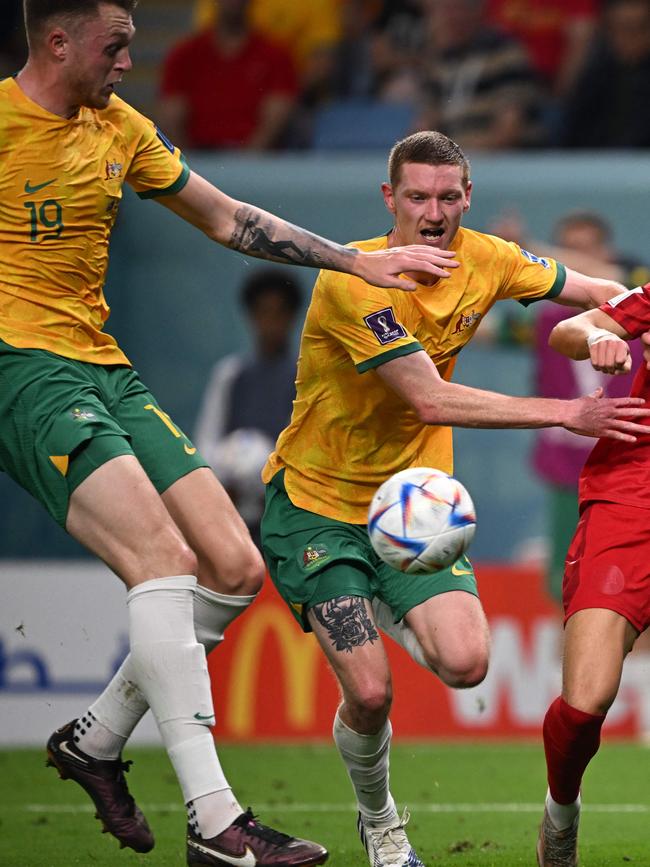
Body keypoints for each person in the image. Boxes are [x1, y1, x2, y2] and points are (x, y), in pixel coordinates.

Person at [2, 2, 462, 864]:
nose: (130, 63)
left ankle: (94, 741)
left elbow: (226, 218)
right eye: (116, 46)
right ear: (57, 42)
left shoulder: (119, 125)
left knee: (233, 563)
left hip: (104, 365)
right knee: (165, 563)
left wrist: (357, 261)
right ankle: (217, 822)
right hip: (22, 368)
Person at [258, 130, 650, 867]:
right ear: (390, 199)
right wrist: (567, 411)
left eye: (446, 196)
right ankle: (381, 825)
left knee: (468, 662)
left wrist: (622, 318)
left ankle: (376, 599)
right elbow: (429, 399)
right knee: (370, 693)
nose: (433, 211)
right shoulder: (355, 279)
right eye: (417, 196)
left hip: (414, 507)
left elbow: (595, 294)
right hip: (319, 503)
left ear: (466, 198)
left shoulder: (489, 259)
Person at [535, 284, 650, 866]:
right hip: (633, 503)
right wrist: (602, 334)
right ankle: (561, 815)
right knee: (585, 705)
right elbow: (566, 331)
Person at [195, 267, 303, 545]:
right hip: (234, 518)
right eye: (263, 312)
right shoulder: (230, 374)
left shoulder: (307, 377)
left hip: (289, 515)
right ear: (251, 316)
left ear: (292, 317)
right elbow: (207, 443)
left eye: (279, 313)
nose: (271, 323)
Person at [158, 0, 299, 151]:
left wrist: (247, 162)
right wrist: (189, 165)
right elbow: (171, 113)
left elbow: (277, 114)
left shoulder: (275, 55)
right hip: (200, 154)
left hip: (256, 159)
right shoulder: (185, 54)